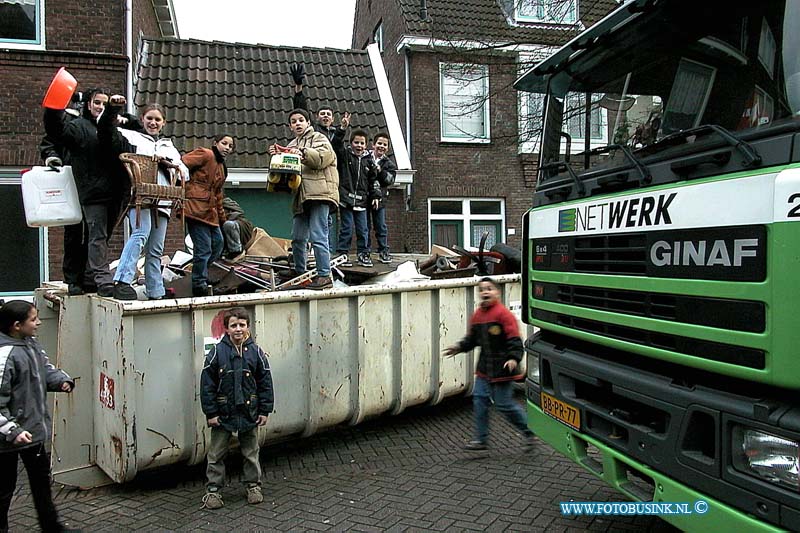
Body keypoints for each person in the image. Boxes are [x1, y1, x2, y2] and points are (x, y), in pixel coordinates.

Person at [98, 95, 188, 300]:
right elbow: (107, 131)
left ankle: (155, 290)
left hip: (163, 199)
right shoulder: (133, 137)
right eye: (149, 118)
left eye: (157, 120)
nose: (153, 123)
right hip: (141, 197)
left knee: (156, 248)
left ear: (163, 123)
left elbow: (184, 172)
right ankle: (122, 280)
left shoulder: (168, 146)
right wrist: (121, 117)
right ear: (142, 119)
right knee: (140, 234)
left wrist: (166, 161)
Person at [0, 300, 75, 532]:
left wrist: (61, 380)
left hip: (33, 432)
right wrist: (13, 431)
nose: (39, 323)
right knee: (3, 491)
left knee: (42, 485)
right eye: (33, 319)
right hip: (7, 441)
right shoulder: (4, 355)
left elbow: (44, 368)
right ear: (16, 325)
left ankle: (52, 527)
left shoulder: (30, 343)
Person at [44, 88, 123, 297]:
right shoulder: (77, 126)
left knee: (97, 236)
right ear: (88, 104)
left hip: (108, 190)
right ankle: (75, 280)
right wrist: (53, 108)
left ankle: (89, 278)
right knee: (75, 233)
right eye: (97, 103)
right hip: (82, 187)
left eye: (104, 104)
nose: (101, 107)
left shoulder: (110, 127)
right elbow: (53, 134)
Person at [443, 277, 535, 451]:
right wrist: (458, 347)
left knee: (504, 405)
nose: (485, 292)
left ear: (497, 293)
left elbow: (514, 340)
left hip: (502, 369)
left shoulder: (503, 315)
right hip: (485, 369)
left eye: (489, 289)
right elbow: (472, 339)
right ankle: (480, 440)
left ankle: (529, 431)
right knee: (479, 400)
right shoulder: (477, 315)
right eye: (482, 289)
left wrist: (513, 358)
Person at [200, 307, 274, 509]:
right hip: (223, 414)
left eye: (242, 325)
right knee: (216, 454)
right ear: (226, 329)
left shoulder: (257, 353)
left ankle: (253, 486)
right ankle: (213, 490)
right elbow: (207, 384)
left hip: (249, 412)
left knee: (251, 451)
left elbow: (265, 382)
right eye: (234, 325)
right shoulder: (217, 353)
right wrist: (211, 413)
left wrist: (264, 410)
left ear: (248, 327)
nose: (238, 329)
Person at [269, 109, 339, 290]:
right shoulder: (292, 143)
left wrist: (303, 153)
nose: (298, 123)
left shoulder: (319, 138)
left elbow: (324, 158)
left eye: (301, 120)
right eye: (294, 121)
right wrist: (278, 156)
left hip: (320, 193)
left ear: (308, 123)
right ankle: (300, 272)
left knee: (318, 235)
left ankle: (324, 276)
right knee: (298, 238)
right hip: (302, 196)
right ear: (290, 126)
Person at [290, 63, 350, 253]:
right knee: (310, 233)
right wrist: (299, 88)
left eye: (328, 114)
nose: (325, 117)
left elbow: (337, 152)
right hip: (312, 183)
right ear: (316, 118)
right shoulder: (313, 133)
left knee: (322, 231)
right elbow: (301, 112)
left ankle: (329, 263)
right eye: (322, 114)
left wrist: (341, 131)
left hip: (330, 183)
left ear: (333, 118)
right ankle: (319, 262)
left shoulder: (332, 137)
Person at [181, 134, 235, 297]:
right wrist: (186, 189)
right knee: (203, 248)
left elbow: (218, 195)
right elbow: (181, 163)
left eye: (230, 146)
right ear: (215, 143)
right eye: (224, 143)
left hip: (210, 212)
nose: (227, 147)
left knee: (218, 244)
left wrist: (222, 218)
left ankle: (200, 272)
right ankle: (199, 283)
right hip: (195, 208)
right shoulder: (206, 154)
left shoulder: (222, 167)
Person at [333, 129, 379, 268]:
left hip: (362, 201)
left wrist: (376, 196)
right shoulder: (345, 155)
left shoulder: (369, 161)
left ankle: (363, 254)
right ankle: (342, 254)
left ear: (366, 145)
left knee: (363, 229)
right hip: (346, 199)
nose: (359, 145)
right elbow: (336, 144)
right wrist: (342, 129)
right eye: (356, 142)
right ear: (351, 143)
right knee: (346, 228)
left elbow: (373, 180)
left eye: (362, 143)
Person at [367, 133, 397, 264]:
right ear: (373, 144)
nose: (381, 146)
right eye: (379, 143)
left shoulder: (389, 164)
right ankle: (365, 252)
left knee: (380, 226)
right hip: (365, 197)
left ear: (388, 148)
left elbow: (390, 180)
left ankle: (383, 251)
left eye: (385, 145)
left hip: (380, 199)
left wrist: (380, 171)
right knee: (365, 227)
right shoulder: (366, 158)